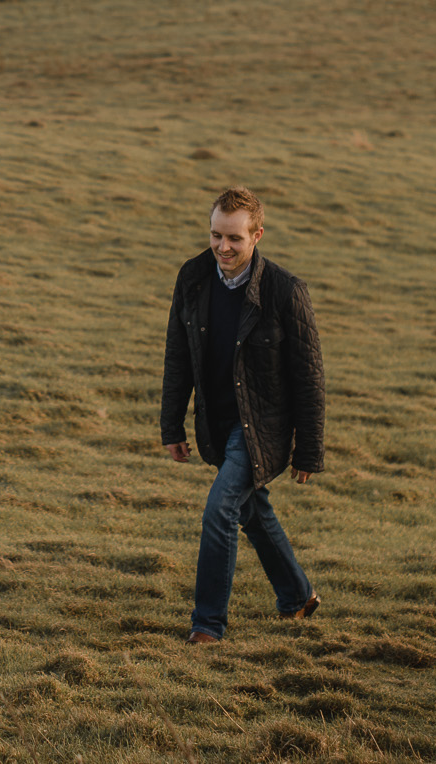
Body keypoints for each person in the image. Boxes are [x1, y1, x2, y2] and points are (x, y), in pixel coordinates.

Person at [160, 186, 326, 642]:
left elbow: (309, 376)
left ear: (257, 236)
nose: (223, 247)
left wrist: (308, 449)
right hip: (215, 423)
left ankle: (208, 624)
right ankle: (297, 595)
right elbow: (178, 354)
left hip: (262, 428)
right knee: (251, 509)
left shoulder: (285, 291)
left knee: (220, 510)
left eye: (234, 238)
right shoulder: (193, 277)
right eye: (216, 235)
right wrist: (171, 425)